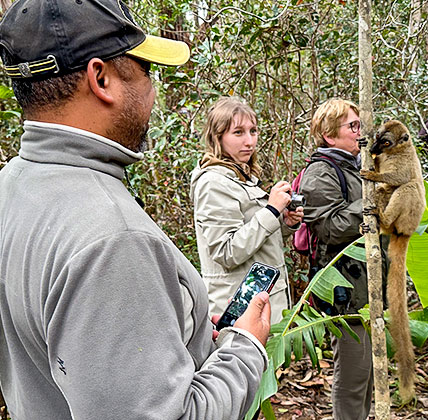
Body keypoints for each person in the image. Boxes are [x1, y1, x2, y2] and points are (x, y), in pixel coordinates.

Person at [0, 1, 271, 419]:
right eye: (145, 70)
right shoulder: (114, 240)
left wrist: (182, 325)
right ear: (102, 78)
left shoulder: (13, 183)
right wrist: (244, 348)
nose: (152, 91)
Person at [299, 98, 380, 420]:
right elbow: (330, 228)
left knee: (367, 373)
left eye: (360, 125)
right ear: (329, 135)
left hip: (368, 285)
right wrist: (373, 201)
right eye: (352, 126)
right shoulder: (320, 172)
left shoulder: (356, 167)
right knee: (353, 376)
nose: (360, 133)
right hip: (345, 289)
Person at [190, 97, 303, 325]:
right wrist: (271, 210)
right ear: (218, 137)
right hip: (240, 310)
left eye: (253, 131)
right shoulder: (213, 183)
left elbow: (254, 241)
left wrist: (284, 222)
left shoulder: (241, 177)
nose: (250, 141)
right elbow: (226, 252)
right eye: (238, 132)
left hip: (261, 305)